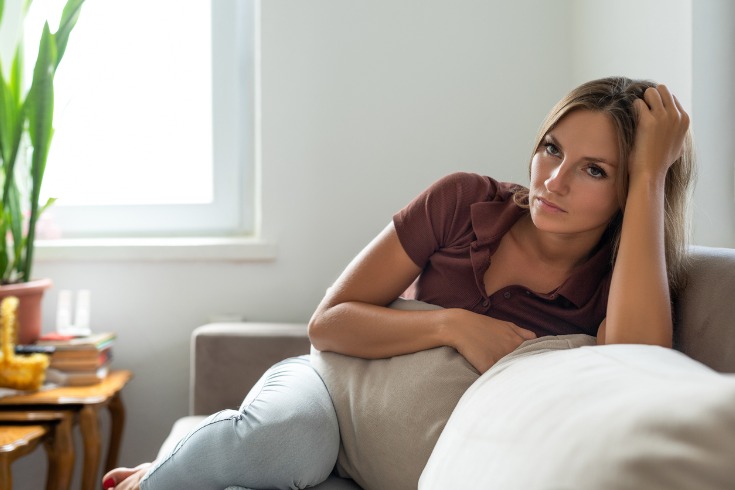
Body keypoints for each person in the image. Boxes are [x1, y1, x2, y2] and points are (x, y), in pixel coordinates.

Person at [103, 76, 695, 489]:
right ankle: (153, 480)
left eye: (595, 170)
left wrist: (649, 176)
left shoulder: (621, 284)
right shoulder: (464, 199)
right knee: (282, 443)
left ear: (629, 193)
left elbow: (636, 368)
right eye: (551, 149)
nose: (554, 180)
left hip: (401, 460)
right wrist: (454, 324)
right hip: (332, 392)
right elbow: (328, 323)